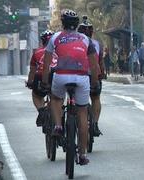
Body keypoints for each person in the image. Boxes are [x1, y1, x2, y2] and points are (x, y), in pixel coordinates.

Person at [42, 9, 98, 165]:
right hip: (82, 78)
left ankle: (59, 125)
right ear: (76, 25)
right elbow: (93, 65)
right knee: (82, 112)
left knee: (55, 98)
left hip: (61, 75)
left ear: (63, 23)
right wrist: (94, 82)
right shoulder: (86, 39)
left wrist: (45, 81)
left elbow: (47, 63)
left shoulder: (55, 37)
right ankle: (82, 154)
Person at [77, 15, 105, 136]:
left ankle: (74, 121)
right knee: (96, 98)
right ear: (92, 32)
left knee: (76, 100)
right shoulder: (97, 44)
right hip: (94, 75)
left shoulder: (75, 41)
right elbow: (100, 62)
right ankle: (95, 124)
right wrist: (102, 74)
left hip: (78, 75)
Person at [26, 30, 55, 127]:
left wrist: (30, 82)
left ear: (42, 41)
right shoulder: (60, 51)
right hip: (57, 75)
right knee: (57, 98)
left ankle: (41, 110)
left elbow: (32, 71)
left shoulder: (37, 52)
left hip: (40, 77)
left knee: (36, 95)